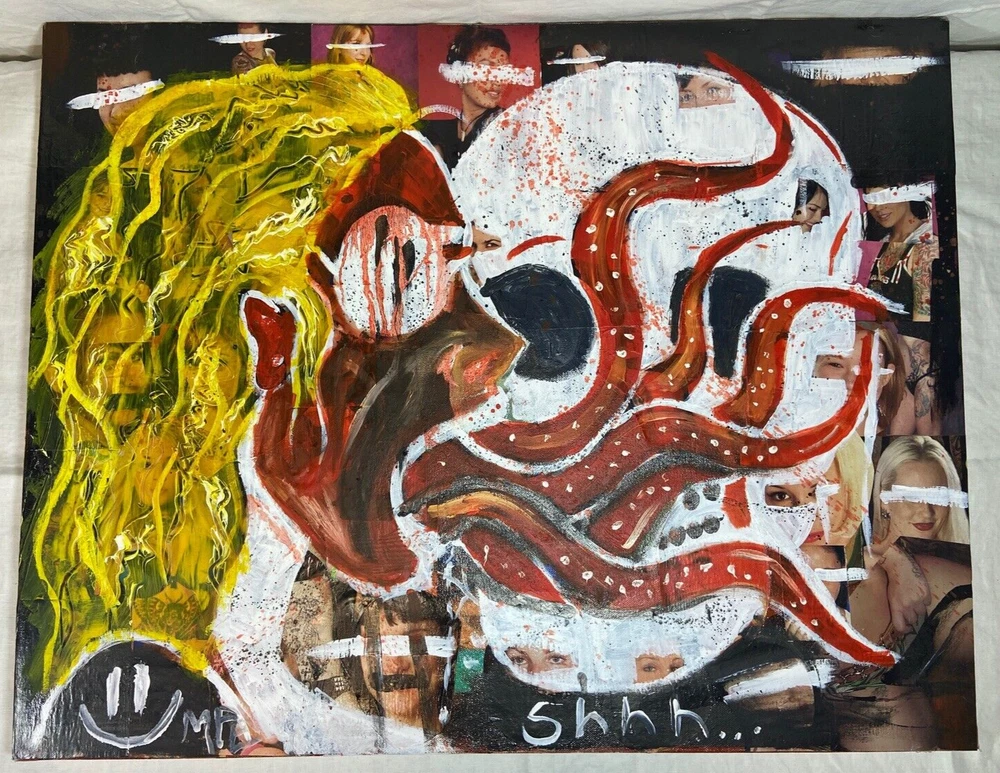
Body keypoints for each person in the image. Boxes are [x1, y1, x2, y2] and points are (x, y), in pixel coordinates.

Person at [863, 181, 940, 433]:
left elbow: (925, 320)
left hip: (918, 371)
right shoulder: (886, 242)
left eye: (884, 197)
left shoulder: (924, 243)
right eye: (869, 200)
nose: (875, 207)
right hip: (889, 366)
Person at [422, 26, 513, 170]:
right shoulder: (436, 130)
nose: (498, 80)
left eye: (504, 71)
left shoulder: (509, 129)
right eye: (485, 69)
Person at [871, 436, 969, 551]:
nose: (927, 512)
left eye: (937, 496)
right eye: (913, 497)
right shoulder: (861, 560)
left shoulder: (967, 558)